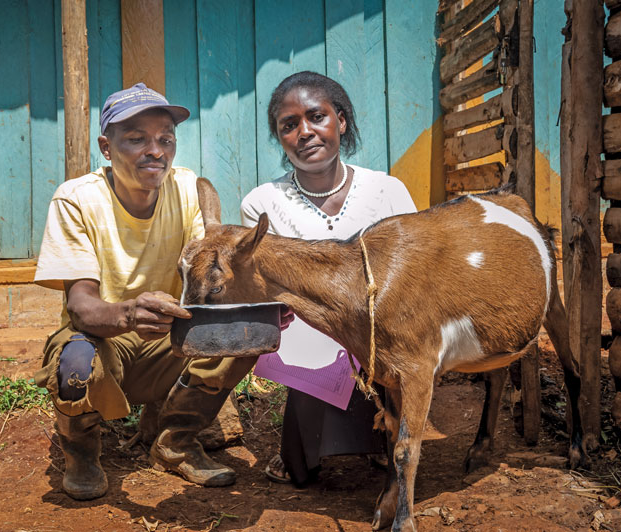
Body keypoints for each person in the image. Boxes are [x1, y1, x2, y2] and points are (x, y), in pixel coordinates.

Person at [33, 83, 256, 500]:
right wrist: (131, 315)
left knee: (242, 334)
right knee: (77, 361)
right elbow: (81, 308)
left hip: (167, 342)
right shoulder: (76, 200)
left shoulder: (185, 188)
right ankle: (81, 451)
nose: (156, 150)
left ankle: (176, 441)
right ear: (106, 145)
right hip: (102, 339)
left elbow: (202, 274)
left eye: (165, 139)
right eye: (136, 138)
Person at [240, 71, 417, 486]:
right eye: (289, 125)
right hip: (306, 333)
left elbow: (413, 275)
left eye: (316, 117)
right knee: (320, 341)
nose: (305, 132)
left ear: (340, 120)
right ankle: (314, 453)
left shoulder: (387, 190)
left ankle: (385, 437)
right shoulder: (263, 204)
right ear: (281, 138)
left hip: (384, 331)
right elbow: (264, 292)